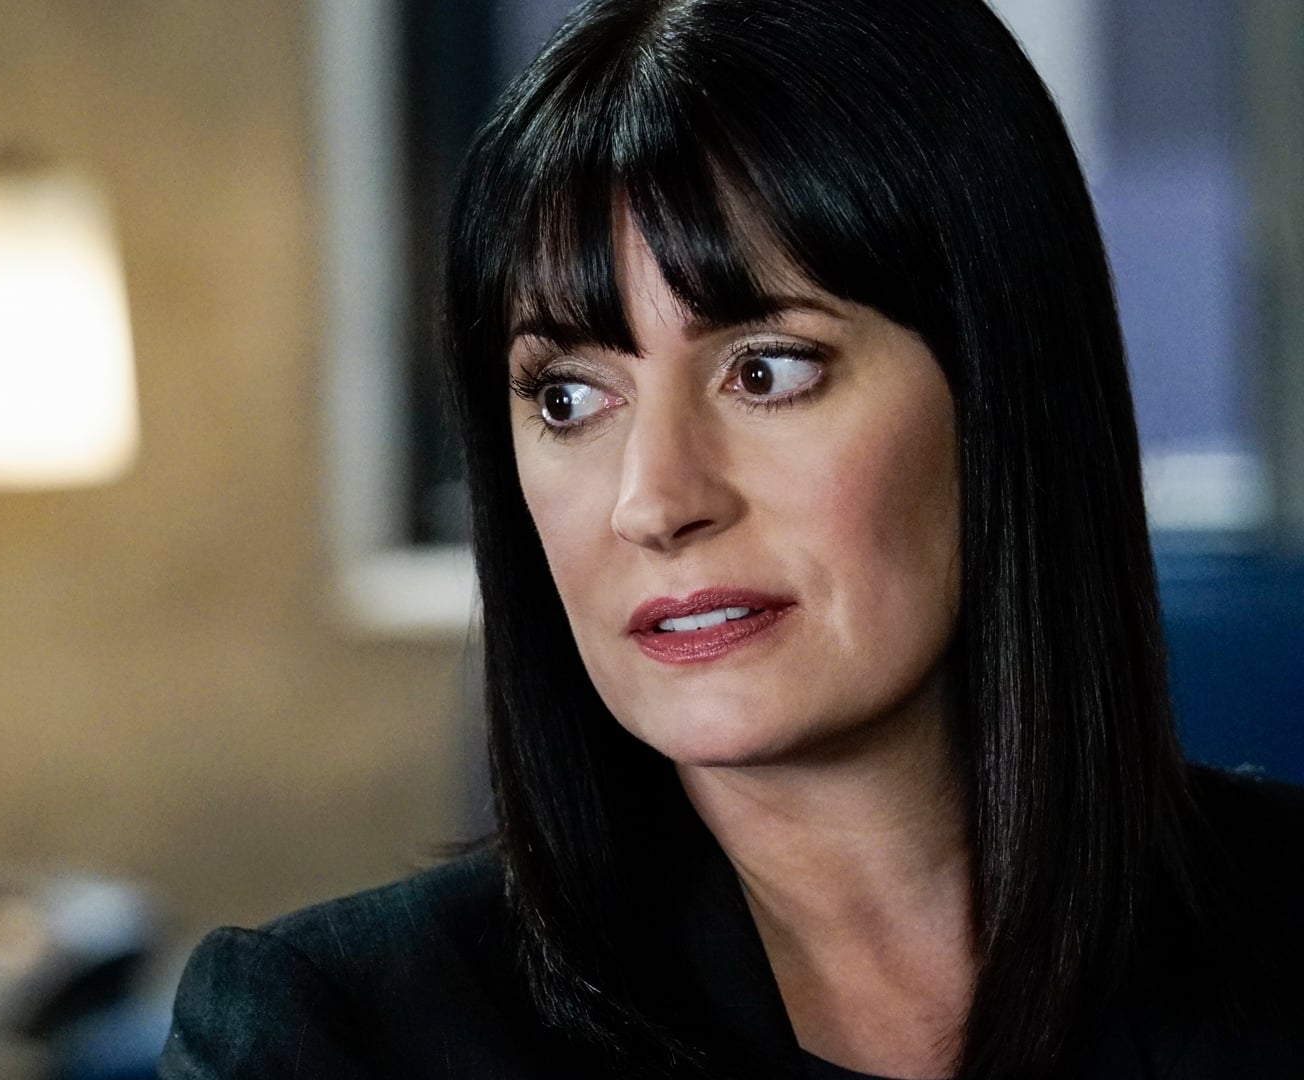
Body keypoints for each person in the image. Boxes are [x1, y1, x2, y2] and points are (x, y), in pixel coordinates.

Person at [158, 0, 1304, 1076]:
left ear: (1001, 383)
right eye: (568, 397)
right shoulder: (336, 1033)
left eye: (766, 372)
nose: (654, 501)